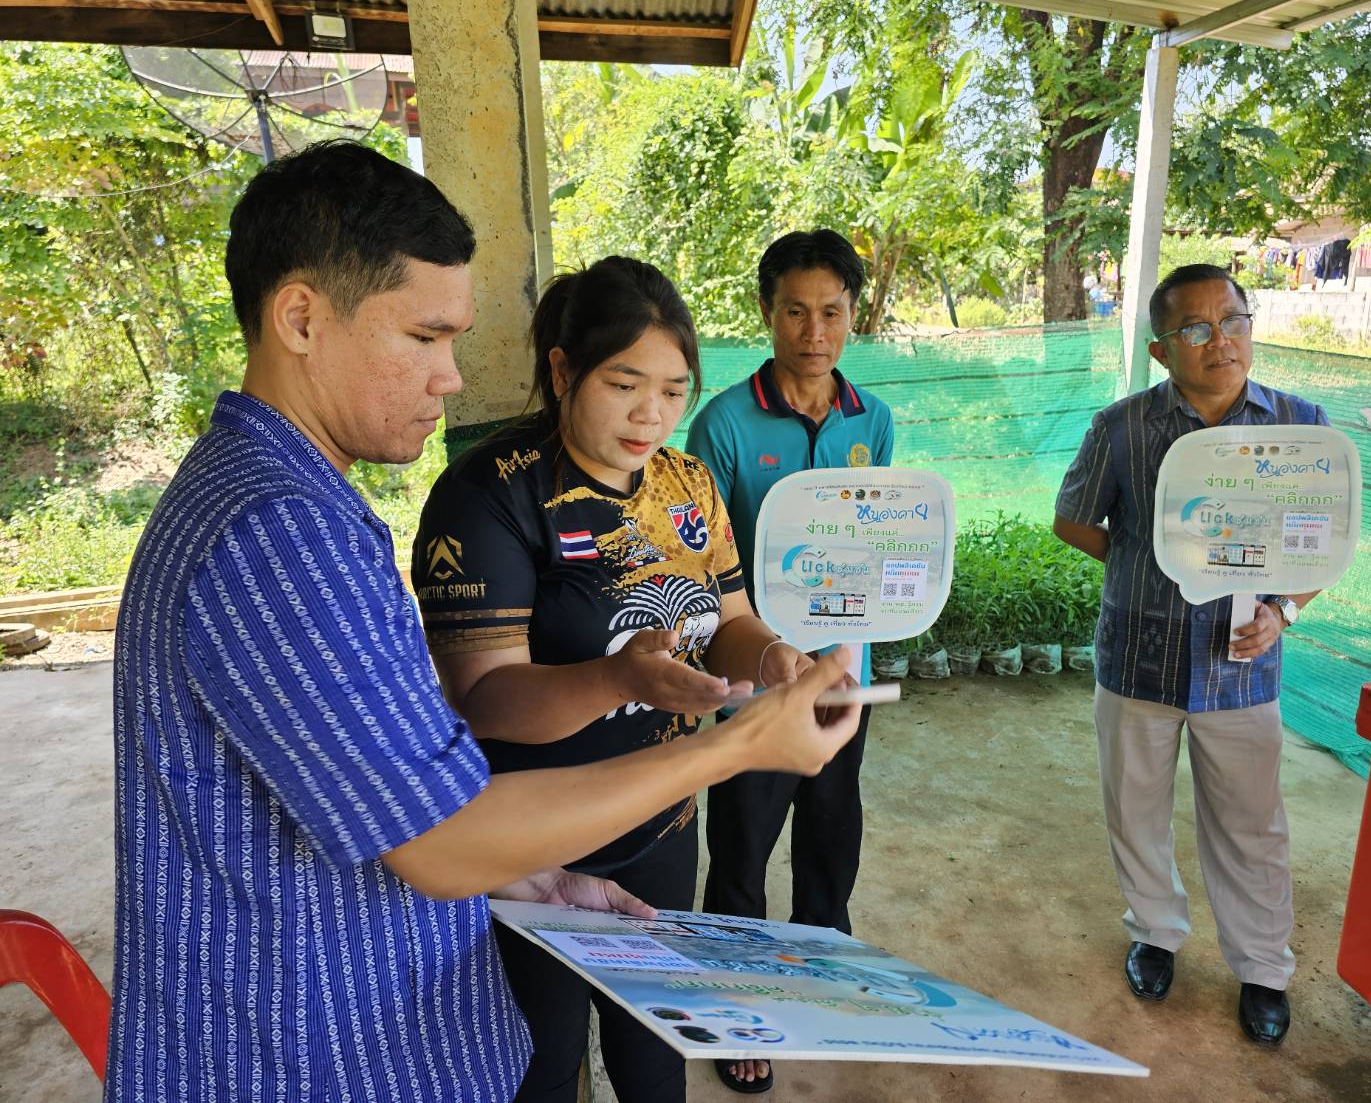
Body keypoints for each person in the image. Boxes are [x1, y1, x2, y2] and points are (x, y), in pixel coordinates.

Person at [107, 141, 861, 1103]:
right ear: (300, 317)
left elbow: (378, 788)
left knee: (652, 1059)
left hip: (420, 969)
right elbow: (443, 833)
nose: (451, 378)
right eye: (424, 338)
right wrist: (732, 745)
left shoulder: (298, 505)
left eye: (671, 391)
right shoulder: (283, 531)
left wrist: (530, 877)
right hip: (314, 1057)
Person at [411, 255, 821, 1103]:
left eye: (673, 391)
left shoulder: (686, 482)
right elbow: (483, 699)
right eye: (624, 384)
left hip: (663, 822)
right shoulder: (489, 497)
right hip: (528, 842)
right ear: (563, 371)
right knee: (544, 1060)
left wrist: (773, 658)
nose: (652, 415)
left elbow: (730, 620)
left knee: (654, 1050)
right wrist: (614, 679)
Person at [1053, 263, 1328, 1047]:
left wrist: (1281, 611)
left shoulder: (1300, 427)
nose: (1222, 340)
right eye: (1197, 328)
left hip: (1241, 665)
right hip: (1137, 659)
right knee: (1134, 810)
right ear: (1158, 349)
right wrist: (1151, 561)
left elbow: (1321, 547)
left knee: (1250, 826)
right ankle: (1154, 932)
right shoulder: (1121, 429)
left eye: (1234, 319)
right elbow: (1074, 520)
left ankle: (1263, 969)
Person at [683, 229, 894, 1093]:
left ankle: (819, 973)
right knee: (741, 842)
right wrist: (761, 653)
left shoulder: (870, 419)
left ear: (854, 316)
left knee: (831, 829)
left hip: (845, 667)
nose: (815, 331)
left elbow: (880, 538)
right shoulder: (724, 422)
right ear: (767, 315)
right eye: (796, 312)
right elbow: (697, 553)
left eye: (832, 312)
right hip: (753, 675)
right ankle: (737, 1006)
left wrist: (858, 635)